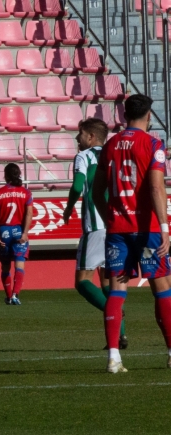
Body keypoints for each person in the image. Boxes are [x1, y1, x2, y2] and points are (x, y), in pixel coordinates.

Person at [92, 94, 171, 373]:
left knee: (117, 291)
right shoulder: (153, 144)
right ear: (148, 115)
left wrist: (111, 219)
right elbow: (155, 188)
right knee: (162, 289)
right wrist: (164, 227)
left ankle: (114, 357)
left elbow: (95, 193)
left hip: (118, 229)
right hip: (147, 228)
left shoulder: (111, 144)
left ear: (125, 115)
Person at [63, 118, 128, 349]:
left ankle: (117, 315)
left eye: (79, 134)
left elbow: (78, 186)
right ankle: (119, 335)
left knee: (82, 282)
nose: (77, 138)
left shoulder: (84, 156)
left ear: (90, 137)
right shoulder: (114, 153)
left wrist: (69, 207)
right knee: (108, 281)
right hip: (117, 224)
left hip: (95, 226)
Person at [0, 163, 33, 305]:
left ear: (6, 175)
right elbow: (29, 213)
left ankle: (8, 296)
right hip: (19, 230)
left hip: (4, 231)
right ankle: (15, 294)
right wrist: (26, 232)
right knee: (19, 265)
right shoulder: (26, 192)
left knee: (5, 267)